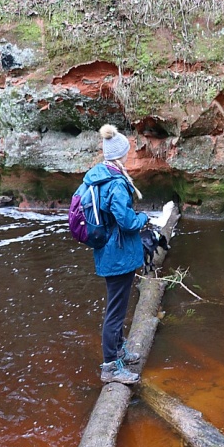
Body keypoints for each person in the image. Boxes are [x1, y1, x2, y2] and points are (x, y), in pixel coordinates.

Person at [82, 124, 149, 384]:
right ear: (121, 154)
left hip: (109, 252)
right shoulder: (116, 183)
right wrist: (142, 217)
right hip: (118, 255)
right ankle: (110, 367)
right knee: (115, 312)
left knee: (117, 306)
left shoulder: (99, 176)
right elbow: (127, 222)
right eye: (127, 152)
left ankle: (119, 351)